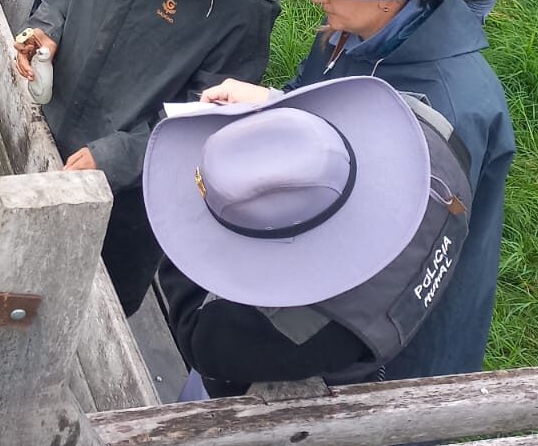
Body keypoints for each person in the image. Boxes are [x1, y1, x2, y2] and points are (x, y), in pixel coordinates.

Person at [204, 0, 514, 380]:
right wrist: (272, 103)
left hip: (381, 337)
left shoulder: (453, 109)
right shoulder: (350, 33)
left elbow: (410, 253)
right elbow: (323, 114)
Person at [14, 0, 283, 315]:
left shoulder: (244, 2)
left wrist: (118, 157)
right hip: (50, 124)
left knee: (93, 308)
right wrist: (47, 23)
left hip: (130, 196)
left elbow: (210, 113)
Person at [142, 76, 473, 398]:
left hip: (281, 423)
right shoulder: (430, 140)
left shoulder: (264, 328)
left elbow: (198, 335)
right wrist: (272, 104)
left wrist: (183, 226)